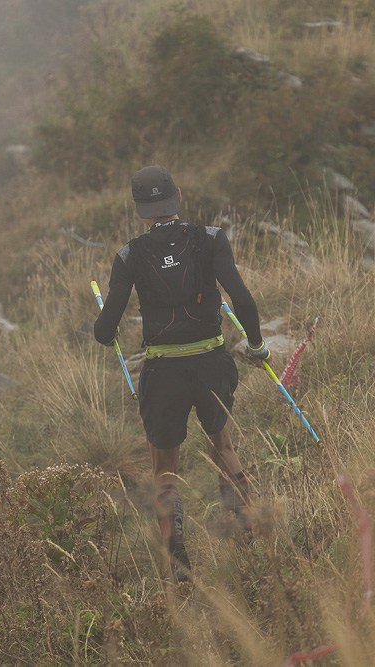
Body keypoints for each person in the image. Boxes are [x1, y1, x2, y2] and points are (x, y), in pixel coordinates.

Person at [94, 165, 270, 581]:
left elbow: (104, 330)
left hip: (163, 372)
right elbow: (242, 300)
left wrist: (105, 326)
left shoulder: (129, 256)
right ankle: (246, 535)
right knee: (222, 445)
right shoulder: (210, 239)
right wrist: (257, 346)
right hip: (211, 362)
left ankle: (178, 565)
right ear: (179, 195)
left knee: (164, 467)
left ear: (139, 209)